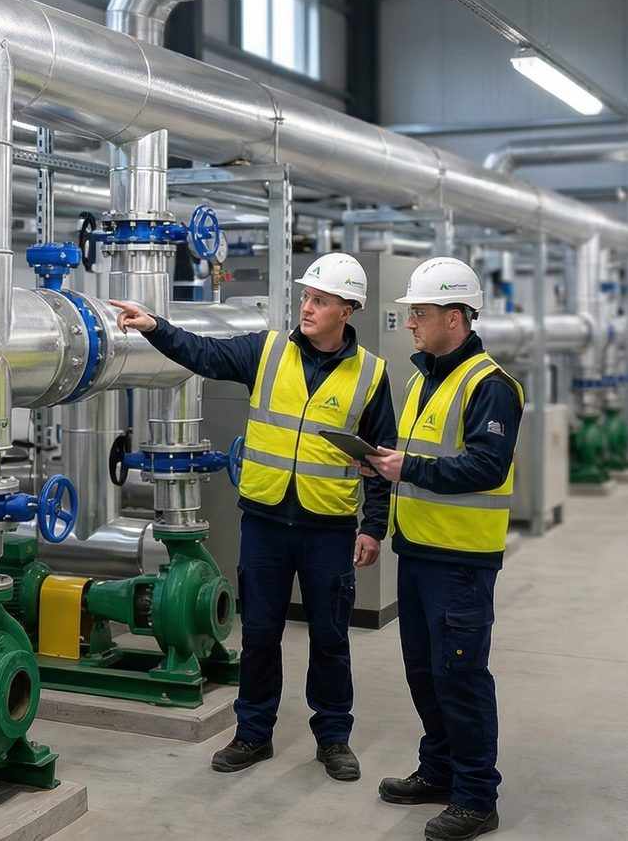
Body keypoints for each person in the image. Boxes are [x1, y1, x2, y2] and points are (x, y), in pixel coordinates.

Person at [110, 252, 396, 784]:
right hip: (265, 522)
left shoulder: (372, 375)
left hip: (328, 529)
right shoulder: (265, 351)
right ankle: (253, 734)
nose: (307, 308)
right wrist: (156, 326)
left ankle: (333, 738)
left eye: (321, 301)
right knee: (260, 633)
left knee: (331, 638)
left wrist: (373, 527)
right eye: (306, 297)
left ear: (347, 310)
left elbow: (381, 456)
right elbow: (203, 353)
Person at [358, 257, 523, 841]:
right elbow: (413, 460)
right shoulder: (422, 379)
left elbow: (485, 464)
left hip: (461, 562)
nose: (410, 323)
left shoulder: (491, 387)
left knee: (461, 676)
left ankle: (477, 797)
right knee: (425, 673)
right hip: (420, 552)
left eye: (420, 314)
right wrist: (382, 471)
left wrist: (408, 467)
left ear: (455, 317)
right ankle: (439, 772)